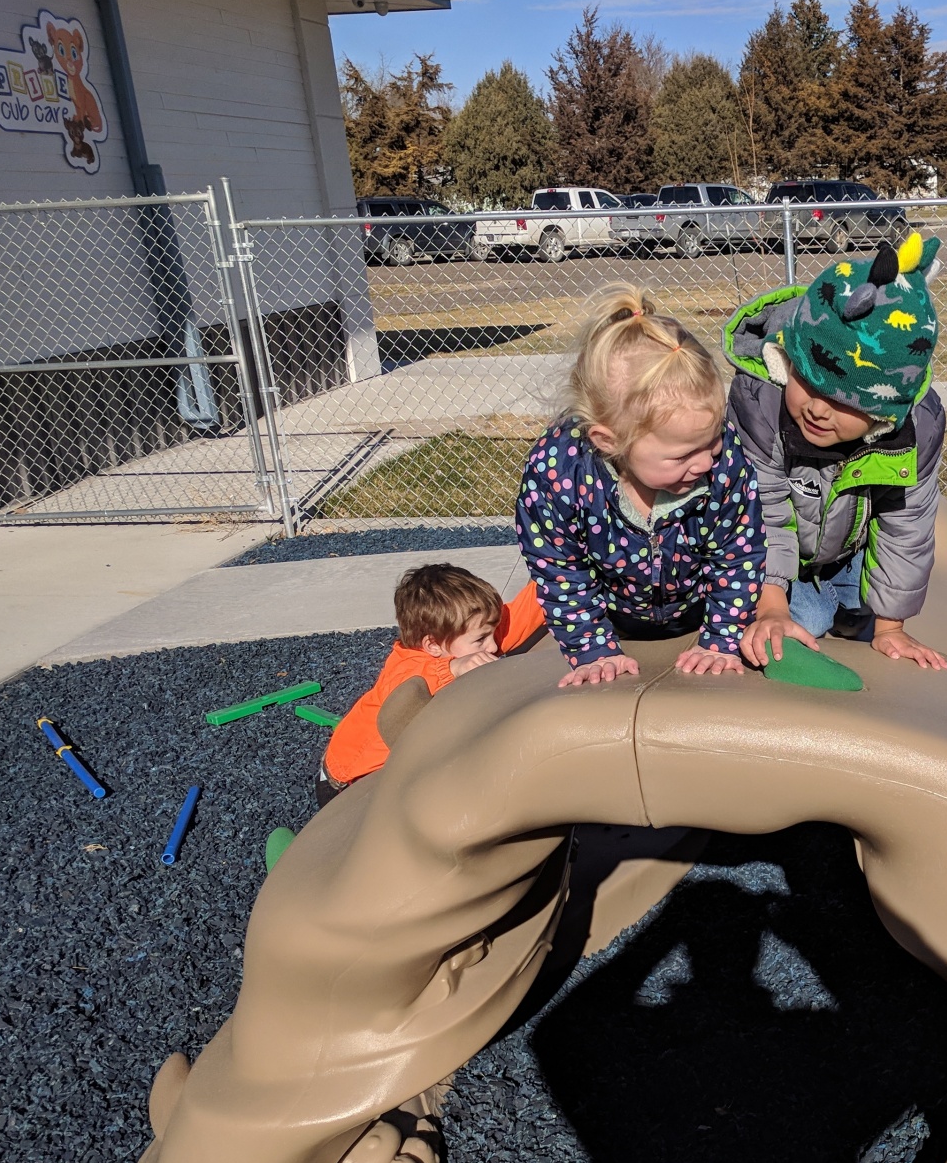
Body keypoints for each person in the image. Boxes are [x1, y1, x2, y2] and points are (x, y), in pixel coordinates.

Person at [515, 286, 764, 688]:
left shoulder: (725, 462)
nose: (706, 462)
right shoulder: (558, 472)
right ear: (608, 441)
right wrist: (593, 651)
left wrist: (721, 640)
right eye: (683, 455)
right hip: (609, 621)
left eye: (714, 440)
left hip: (699, 617)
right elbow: (560, 570)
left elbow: (738, 557)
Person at [725, 232, 947, 672]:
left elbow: (906, 526)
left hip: (848, 549)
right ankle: (817, 603)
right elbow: (762, 511)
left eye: (844, 402)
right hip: (779, 550)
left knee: (869, 606)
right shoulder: (762, 405)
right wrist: (771, 607)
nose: (817, 409)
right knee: (805, 620)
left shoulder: (915, 431)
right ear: (789, 360)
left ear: (884, 409)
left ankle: (848, 608)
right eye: (807, 381)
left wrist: (891, 629)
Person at [318, 563, 545, 805]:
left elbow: (519, 616)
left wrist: (557, 577)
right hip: (349, 780)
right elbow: (412, 684)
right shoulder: (406, 665)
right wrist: (453, 667)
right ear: (433, 645)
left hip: (404, 761)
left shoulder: (463, 640)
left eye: (492, 633)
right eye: (481, 639)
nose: (492, 646)